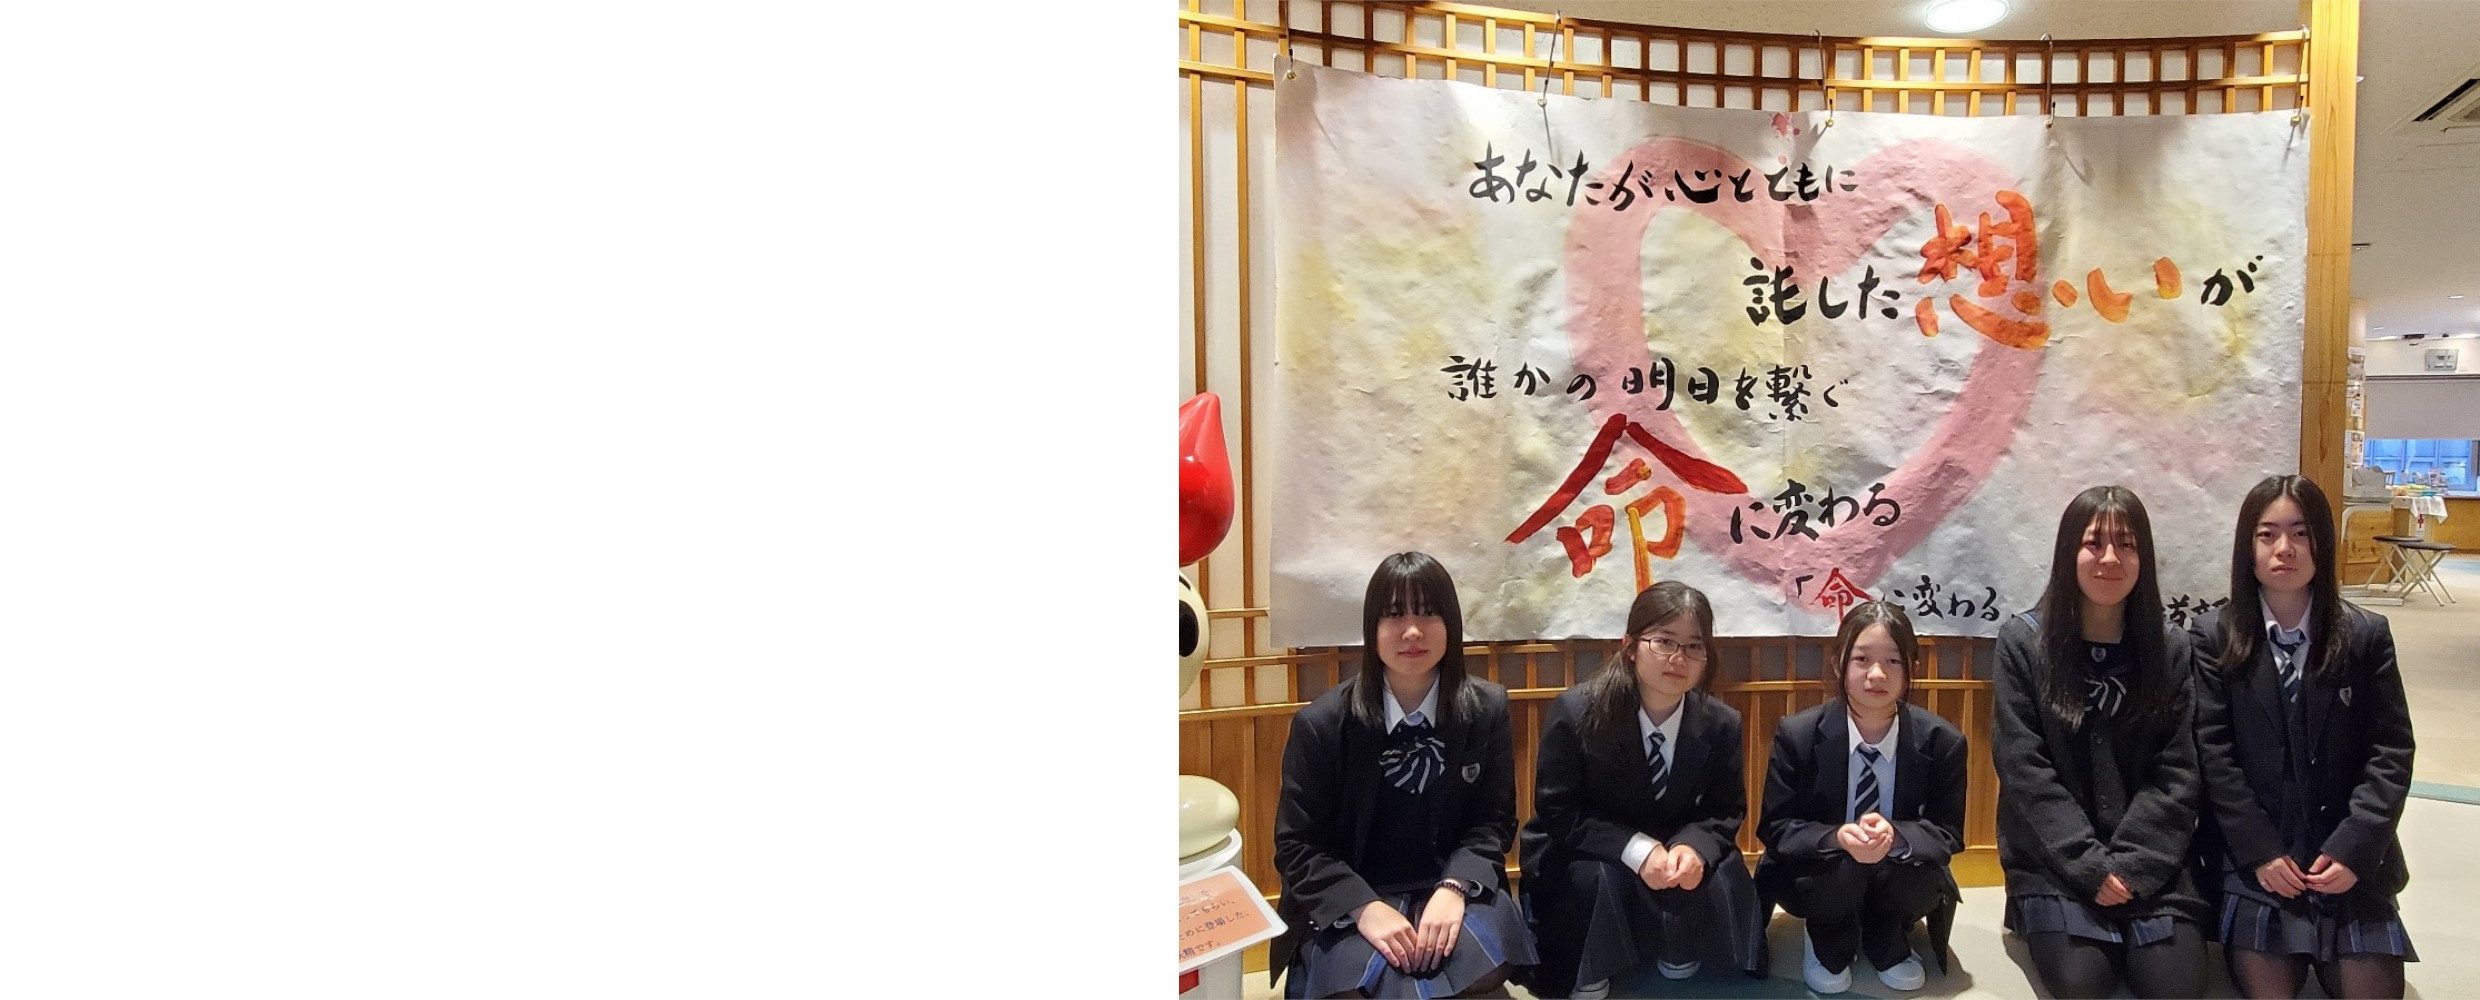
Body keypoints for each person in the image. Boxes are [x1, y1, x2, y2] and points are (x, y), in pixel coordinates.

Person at [1269, 552, 1536, 999]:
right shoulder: (1322, 724)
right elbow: (1298, 846)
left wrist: (1454, 889)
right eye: (1394, 615)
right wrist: (1363, 907)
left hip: (1449, 886)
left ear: (1451, 625)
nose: (1412, 631)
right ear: (1371, 630)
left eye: (1428, 613)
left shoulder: (1485, 709)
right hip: (1354, 895)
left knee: (1479, 968)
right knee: (1369, 982)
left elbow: (1493, 822)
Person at [2191, 475, 2416, 998]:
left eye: (2300, 533)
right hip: (2258, 861)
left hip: (2346, 857)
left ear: (2322, 543)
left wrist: (2354, 849)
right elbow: (2214, 755)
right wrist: (2261, 853)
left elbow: (2392, 751)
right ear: (2248, 546)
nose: (2284, 548)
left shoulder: (2365, 635)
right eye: (2267, 534)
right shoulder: (2214, 636)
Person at [1993, 485, 2209, 998]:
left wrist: (2134, 864)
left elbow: (2178, 769)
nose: (2110, 558)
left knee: (2175, 987)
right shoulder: (2023, 643)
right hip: (2055, 862)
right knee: (2084, 982)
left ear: (2143, 557)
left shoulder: (2171, 647)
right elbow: (2025, 768)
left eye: (2126, 544)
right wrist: (2088, 864)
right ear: (2068, 552)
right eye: (2093, 543)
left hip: (2151, 858)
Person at [1516, 581, 1765, 998]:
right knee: (1593, 878)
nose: (1678, 658)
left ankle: (1675, 941)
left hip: (1673, 843)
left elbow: (1725, 809)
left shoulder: (1722, 722)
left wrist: (1693, 846)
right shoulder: (1578, 712)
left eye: (1694, 646)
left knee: (1720, 868)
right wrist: (1635, 849)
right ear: (1630, 646)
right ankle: (1592, 962)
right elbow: (1559, 810)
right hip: (1589, 848)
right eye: (1664, 641)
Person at [1756, 600, 1967, 994]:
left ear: (1912, 668)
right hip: (1823, 873)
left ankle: (1888, 938)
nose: (1877, 674)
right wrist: (1836, 837)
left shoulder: (1943, 742)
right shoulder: (1797, 735)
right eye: (1862, 659)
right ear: (1838, 664)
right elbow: (1776, 828)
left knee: (1911, 873)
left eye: (1893, 661)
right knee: (1843, 868)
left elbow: (1948, 834)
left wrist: (1897, 836)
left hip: (1898, 872)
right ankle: (1826, 938)